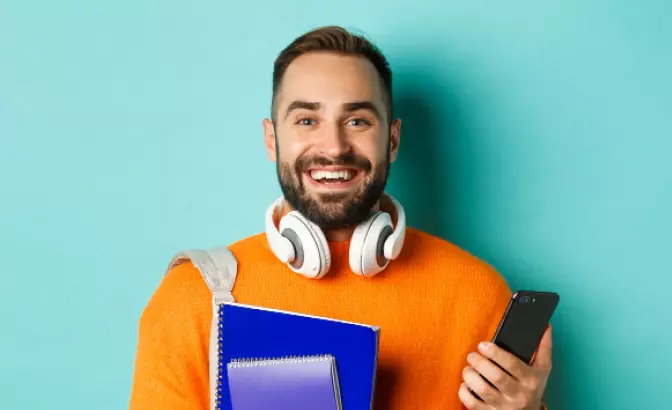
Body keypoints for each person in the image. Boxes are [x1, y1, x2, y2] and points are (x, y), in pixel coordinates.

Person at [129, 25, 553, 410]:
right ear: (272, 140)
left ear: (392, 140)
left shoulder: (479, 294)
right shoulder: (193, 297)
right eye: (307, 120)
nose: (333, 146)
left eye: (356, 120)